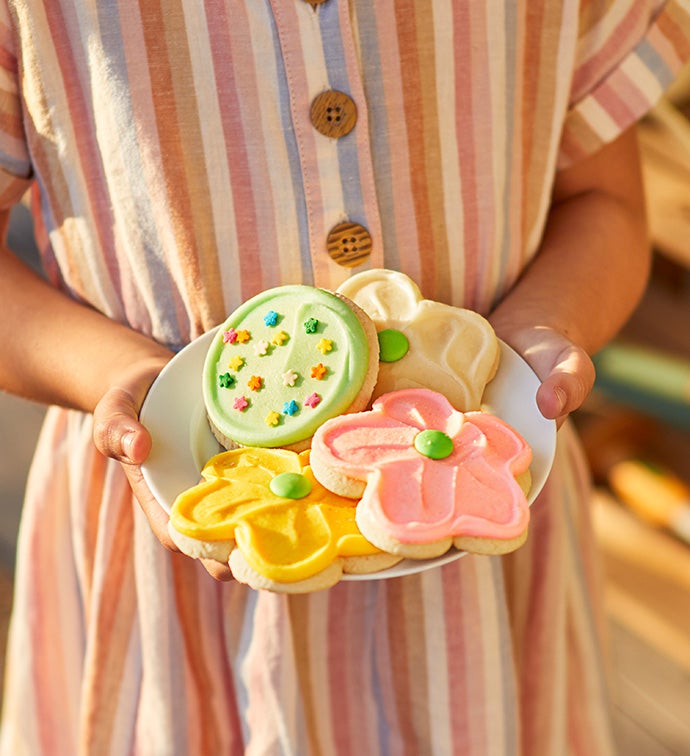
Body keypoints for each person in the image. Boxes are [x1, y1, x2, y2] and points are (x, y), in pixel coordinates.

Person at [0, 1, 688, 753]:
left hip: (477, 511)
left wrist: (540, 333)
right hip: (172, 545)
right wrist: (119, 372)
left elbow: (604, 200)